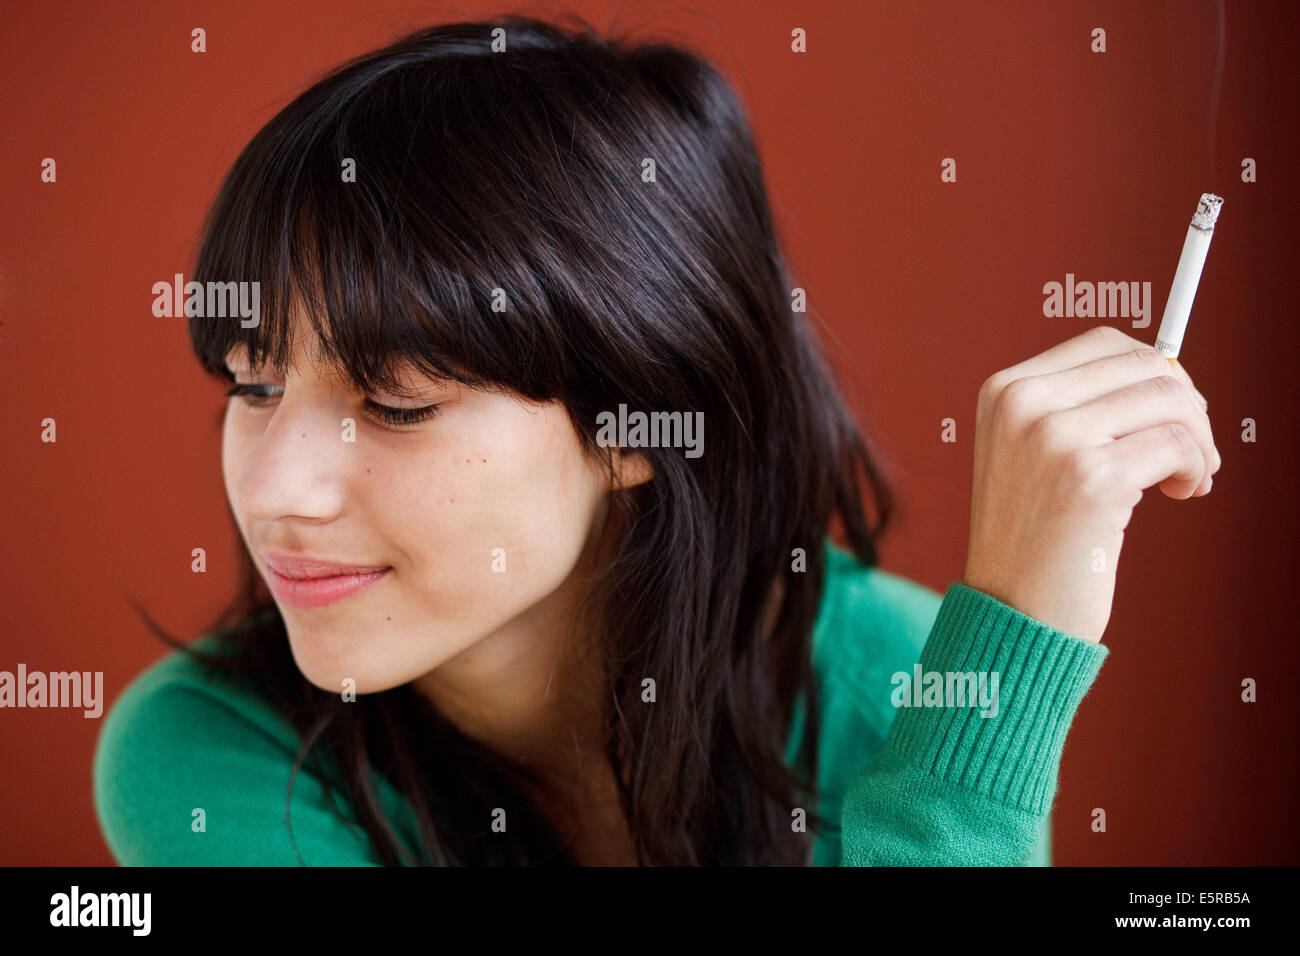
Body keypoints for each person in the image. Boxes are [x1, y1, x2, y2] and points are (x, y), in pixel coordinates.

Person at [92, 15, 1219, 866]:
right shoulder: (206, 757)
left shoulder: (908, 692)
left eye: (396, 403)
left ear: (636, 418)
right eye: (252, 382)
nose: (277, 487)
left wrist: (1004, 669)